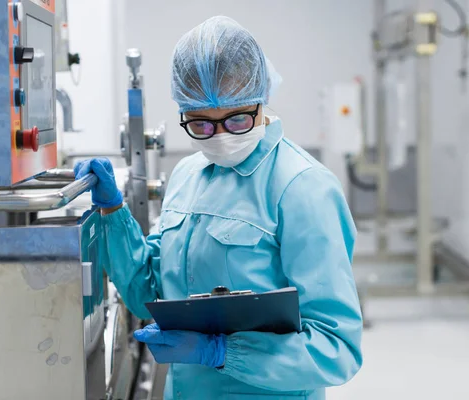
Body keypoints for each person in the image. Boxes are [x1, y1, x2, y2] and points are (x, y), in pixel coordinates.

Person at [76, 16, 363, 400]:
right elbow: (150, 289)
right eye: (202, 126)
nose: (222, 136)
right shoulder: (188, 175)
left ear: (261, 100)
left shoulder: (303, 187)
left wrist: (222, 352)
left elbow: (336, 347)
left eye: (238, 119)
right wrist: (113, 212)